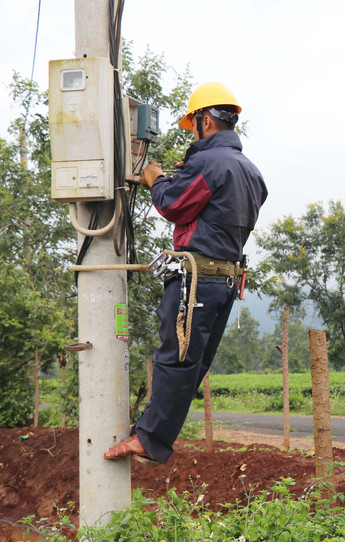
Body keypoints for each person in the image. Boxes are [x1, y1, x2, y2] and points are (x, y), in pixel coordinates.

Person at [105, 82, 268, 463]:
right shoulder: (251, 171)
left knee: (175, 358)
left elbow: (175, 205)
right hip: (226, 280)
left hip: (196, 279)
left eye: (193, 126)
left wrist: (156, 179)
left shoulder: (209, 163)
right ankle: (153, 435)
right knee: (192, 363)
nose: (192, 134)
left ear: (205, 121)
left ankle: (150, 438)